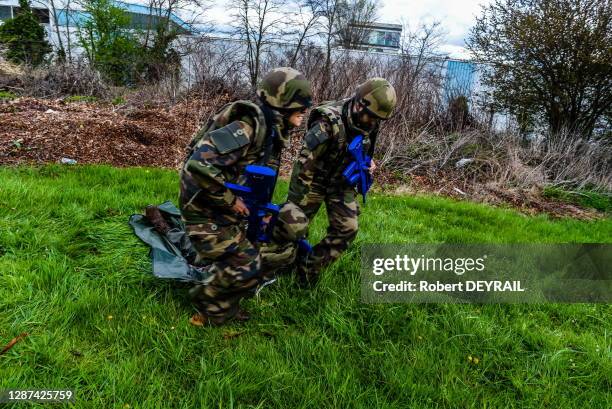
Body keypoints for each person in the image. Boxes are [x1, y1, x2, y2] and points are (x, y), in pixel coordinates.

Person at [179, 67, 312, 326]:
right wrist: (231, 201)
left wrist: (256, 213)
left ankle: (225, 278)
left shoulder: (271, 129)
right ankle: (210, 304)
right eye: (299, 105)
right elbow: (197, 166)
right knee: (249, 265)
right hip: (204, 211)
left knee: (292, 222)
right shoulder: (247, 128)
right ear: (281, 104)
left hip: (229, 208)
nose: (304, 111)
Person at [262, 78, 397, 286]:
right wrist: (296, 204)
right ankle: (265, 269)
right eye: (371, 117)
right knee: (292, 225)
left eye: (378, 119)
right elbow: (304, 166)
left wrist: (369, 164)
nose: (373, 123)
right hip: (313, 180)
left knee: (348, 228)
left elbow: (366, 151)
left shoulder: (371, 120)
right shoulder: (327, 122)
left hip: (341, 182)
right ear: (359, 104)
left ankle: (306, 271)